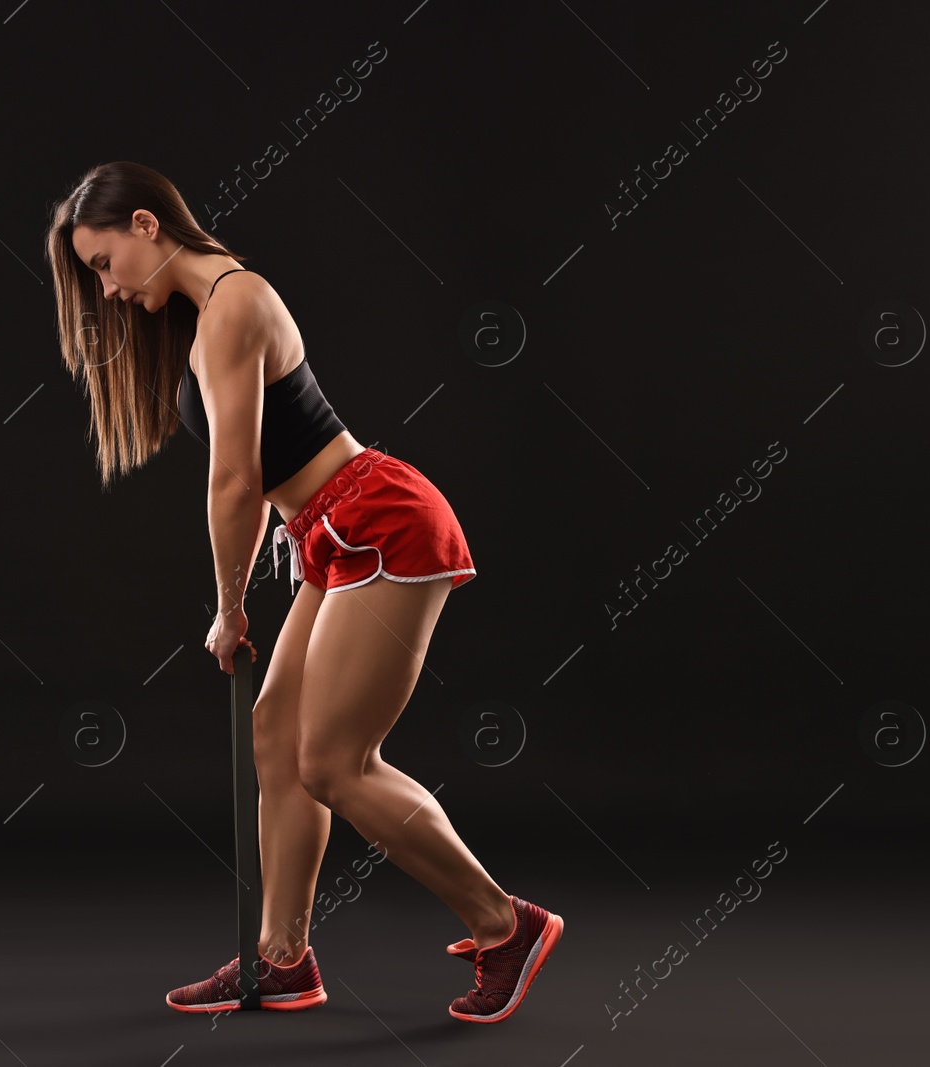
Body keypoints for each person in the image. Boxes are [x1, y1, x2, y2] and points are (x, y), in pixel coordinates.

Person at [45, 161, 563, 1023]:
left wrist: (230, 604)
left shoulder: (234, 304)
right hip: (332, 531)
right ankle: (283, 959)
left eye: (101, 263)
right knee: (278, 738)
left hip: (381, 521)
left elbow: (236, 483)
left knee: (333, 762)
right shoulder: (211, 314)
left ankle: (505, 923)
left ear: (145, 225)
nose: (103, 289)